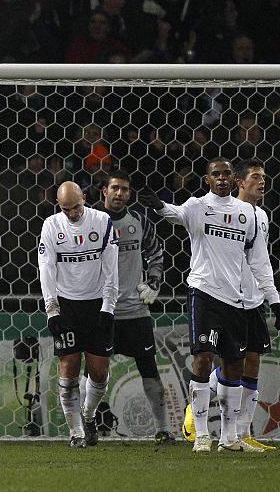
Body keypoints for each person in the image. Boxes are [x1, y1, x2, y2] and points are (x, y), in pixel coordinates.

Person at [142, 157, 280, 452]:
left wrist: (275, 300)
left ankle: (229, 438)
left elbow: (259, 261)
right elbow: (175, 215)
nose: (221, 178)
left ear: (234, 179)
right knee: (203, 358)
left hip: (237, 299)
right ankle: (202, 434)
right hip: (204, 292)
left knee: (234, 366)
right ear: (207, 179)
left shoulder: (248, 213)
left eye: (226, 174)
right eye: (215, 174)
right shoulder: (197, 206)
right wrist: (158, 206)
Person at [183, 159, 279, 451]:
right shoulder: (212, 210)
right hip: (224, 297)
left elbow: (260, 261)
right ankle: (197, 417)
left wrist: (272, 298)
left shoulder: (258, 215)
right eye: (255, 177)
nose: (262, 182)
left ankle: (239, 435)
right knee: (211, 357)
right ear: (240, 182)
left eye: (264, 177)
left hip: (253, 299)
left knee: (249, 363)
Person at [38, 181, 119, 448]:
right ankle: (76, 433)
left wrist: (108, 307)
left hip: (96, 304)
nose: (72, 213)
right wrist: (52, 310)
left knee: (99, 371)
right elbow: (46, 267)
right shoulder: (51, 225)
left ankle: (89, 414)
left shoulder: (102, 221)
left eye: (76, 207)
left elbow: (111, 269)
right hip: (66, 305)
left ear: (85, 198)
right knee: (68, 367)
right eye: (66, 209)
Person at [100, 170, 173, 444]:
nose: (120, 194)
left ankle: (163, 428)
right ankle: (86, 424)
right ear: (104, 192)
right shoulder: (92, 222)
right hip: (102, 312)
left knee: (149, 370)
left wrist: (154, 281)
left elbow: (156, 252)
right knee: (95, 373)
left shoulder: (140, 221)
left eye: (125, 190)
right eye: (115, 188)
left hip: (135, 312)